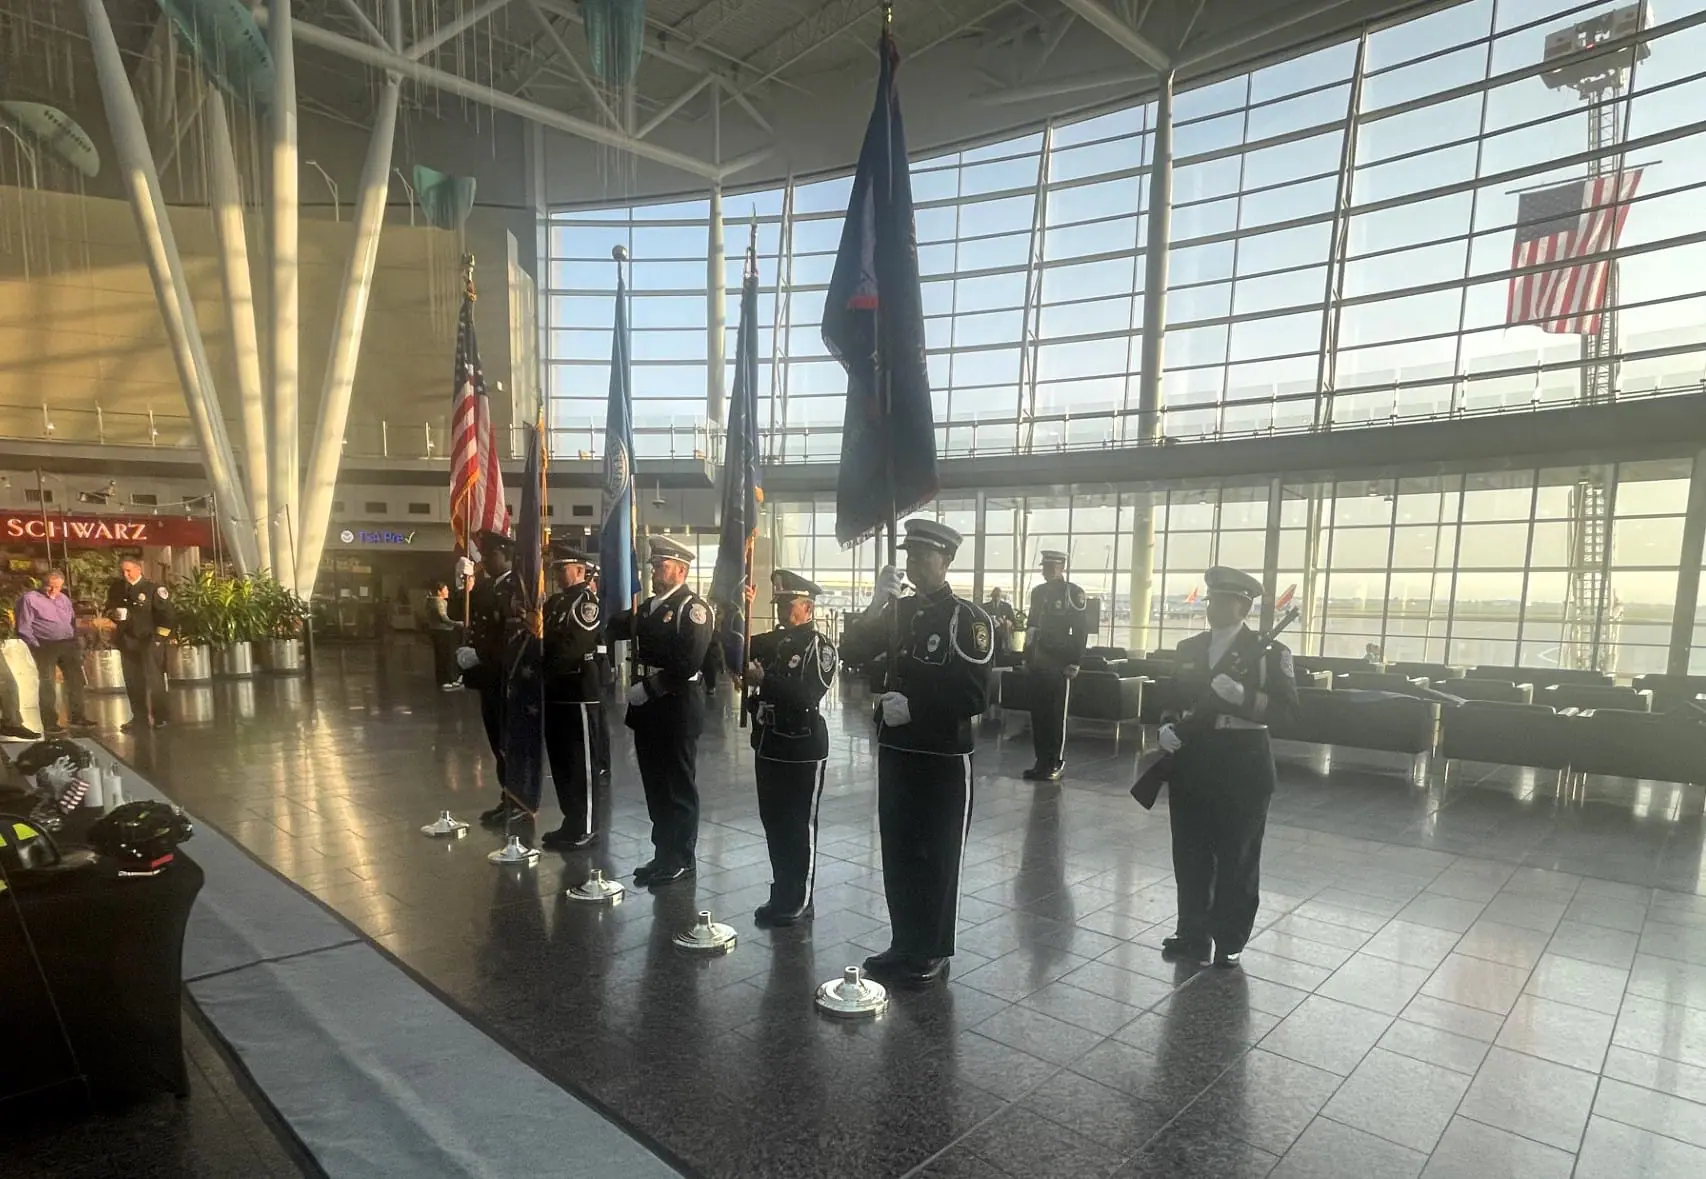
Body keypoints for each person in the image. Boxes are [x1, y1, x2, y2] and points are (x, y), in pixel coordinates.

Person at [839, 519, 992, 988]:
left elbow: (974, 696)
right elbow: (851, 650)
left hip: (942, 757)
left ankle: (933, 948)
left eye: (924, 557)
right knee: (900, 848)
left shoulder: (968, 620)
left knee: (937, 854)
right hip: (897, 750)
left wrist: (917, 708)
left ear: (946, 561)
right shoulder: (898, 612)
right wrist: (874, 606)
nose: (914, 565)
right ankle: (904, 940)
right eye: (909, 557)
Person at [1157, 566, 1299, 970]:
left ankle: (1230, 940)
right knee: (1190, 854)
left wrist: (1243, 696)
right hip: (1193, 761)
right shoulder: (1189, 648)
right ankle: (1193, 933)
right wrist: (1166, 727)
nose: (1211, 606)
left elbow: (1290, 715)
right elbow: (1170, 698)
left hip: (1243, 764)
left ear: (1243, 604)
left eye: (1220, 599)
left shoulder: (1271, 653)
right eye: (1210, 599)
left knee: (1237, 857)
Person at [605, 536, 713, 887]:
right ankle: (663, 853)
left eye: (661, 566)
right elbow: (613, 625)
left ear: (681, 570)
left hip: (676, 709)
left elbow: (689, 662)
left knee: (678, 786)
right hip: (649, 711)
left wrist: (650, 687)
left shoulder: (692, 609)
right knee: (655, 786)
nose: (654, 571)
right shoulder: (648, 607)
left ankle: (682, 857)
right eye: (652, 566)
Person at [744, 570, 836, 927]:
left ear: (808, 607)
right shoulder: (775, 642)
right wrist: (739, 608)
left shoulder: (821, 647)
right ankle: (782, 890)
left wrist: (765, 680)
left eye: (788, 603)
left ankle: (799, 897)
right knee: (775, 822)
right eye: (779, 602)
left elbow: (808, 696)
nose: (782, 608)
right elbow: (736, 644)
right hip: (769, 742)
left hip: (802, 746)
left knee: (798, 826)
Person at [457, 531, 522, 827]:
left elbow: (512, 637)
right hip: (489, 679)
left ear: (506, 556)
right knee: (497, 741)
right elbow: (466, 616)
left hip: (505, 677)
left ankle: (518, 800)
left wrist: (480, 654)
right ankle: (506, 795)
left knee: (510, 741)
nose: (485, 560)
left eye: (491, 555)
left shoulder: (515, 589)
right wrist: (464, 587)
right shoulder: (487, 587)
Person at [539, 545, 602, 851]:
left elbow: (573, 646)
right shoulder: (553, 603)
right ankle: (570, 820)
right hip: (555, 692)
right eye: (555, 569)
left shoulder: (586, 602)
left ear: (580, 570)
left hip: (577, 691)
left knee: (581, 765)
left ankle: (586, 825)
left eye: (562, 568)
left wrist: (541, 672)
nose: (558, 575)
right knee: (562, 763)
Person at [1024, 550, 1088, 782]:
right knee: (1038, 714)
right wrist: (1027, 656)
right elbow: (1031, 626)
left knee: (1055, 715)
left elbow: (1081, 631)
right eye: (1045, 566)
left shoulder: (1073, 593)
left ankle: (1055, 762)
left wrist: (1075, 661)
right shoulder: (1038, 592)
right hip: (1039, 661)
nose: (1046, 570)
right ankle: (1041, 761)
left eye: (1052, 567)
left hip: (1060, 662)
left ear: (1062, 567)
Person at [15, 570, 92, 735]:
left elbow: (71, 621)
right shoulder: (30, 599)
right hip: (44, 644)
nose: (53, 591)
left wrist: (76, 639)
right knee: (47, 683)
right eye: (50, 586)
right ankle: (50, 721)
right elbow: (24, 625)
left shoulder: (64, 599)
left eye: (57, 587)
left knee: (76, 680)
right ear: (42, 584)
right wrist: (34, 644)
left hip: (67, 643)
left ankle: (78, 716)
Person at [104, 555, 174, 733]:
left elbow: (167, 615)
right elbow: (108, 608)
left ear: (138, 570)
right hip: (127, 641)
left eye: (128, 570)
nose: (125, 574)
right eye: (122, 571)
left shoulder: (153, 589)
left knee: (154, 680)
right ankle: (139, 718)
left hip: (149, 640)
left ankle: (161, 717)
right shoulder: (117, 589)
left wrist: (160, 638)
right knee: (133, 682)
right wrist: (113, 613)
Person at [423, 580, 463, 691]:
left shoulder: (429, 601)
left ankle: (441, 679)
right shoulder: (438, 601)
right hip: (443, 631)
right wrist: (457, 623)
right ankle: (448, 679)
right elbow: (443, 618)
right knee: (447, 656)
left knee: (439, 656)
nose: (448, 591)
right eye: (445, 589)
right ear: (439, 591)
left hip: (434, 631)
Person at [984, 586, 1017, 659]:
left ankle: (1006, 650)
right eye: (994, 596)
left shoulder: (1007, 606)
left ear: (1000, 596)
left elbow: (1013, 620)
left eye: (998, 596)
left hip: (1003, 627)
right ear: (991, 596)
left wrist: (1004, 621)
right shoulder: (985, 606)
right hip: (990, 627)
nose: (996, 598)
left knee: (1007, 624)